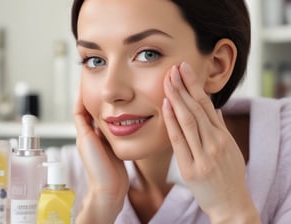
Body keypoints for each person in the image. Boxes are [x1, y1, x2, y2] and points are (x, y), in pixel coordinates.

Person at [54, 0, 291, 223]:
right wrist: (101, 203)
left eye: (147, 54)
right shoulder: (58, 178)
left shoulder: (284, 151)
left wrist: (232, 211)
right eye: (95, 60)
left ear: (217, 65)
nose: (111, 90)